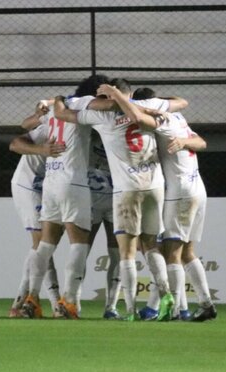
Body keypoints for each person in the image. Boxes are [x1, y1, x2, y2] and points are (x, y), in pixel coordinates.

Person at [53, 78, 186, 321]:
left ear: (107, 97)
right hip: (155, 186)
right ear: (131, 94)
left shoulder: (102, 117)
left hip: (127, 189)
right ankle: (167, 298)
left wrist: (59, 99)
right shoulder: (147, 106)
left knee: (126, 253)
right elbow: (180, 102)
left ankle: (131, 310)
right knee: (151, 244)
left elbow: (63, 115)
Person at [98, 85, 217, 322]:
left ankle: (177, 309)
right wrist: (184, 141)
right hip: (197, 188)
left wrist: (119, 98)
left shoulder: (161, 121)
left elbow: (136, 117)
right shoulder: (179, 119)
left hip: (179, 190)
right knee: (186, 252)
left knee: (171, 253)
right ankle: (201, 304)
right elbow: (202, 142)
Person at [21, 74, 111, 319]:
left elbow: (25, 126)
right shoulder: (83, 104)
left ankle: (32, 297)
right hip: (73, 182)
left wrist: (52, 100)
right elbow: (105, 106)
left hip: (51, 180)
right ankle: (68, 302)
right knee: (78, 242)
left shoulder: (55, 111)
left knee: (46, 244)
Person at [7, 114, 66, 318]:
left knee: (41, 246)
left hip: (50, 188)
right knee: (42, 242)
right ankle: (55, 303)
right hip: (28, 185)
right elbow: (15, 144)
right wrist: (42, 150)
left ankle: (21, 302)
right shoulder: (55, 126)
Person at [87, 131, 121, 319]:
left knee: (117, 252)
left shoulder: (121, 130)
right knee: (82, 250)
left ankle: (111, 306)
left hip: (116, 199)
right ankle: (72, 303)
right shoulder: (88, 132)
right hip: (91, 199)